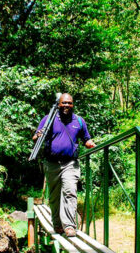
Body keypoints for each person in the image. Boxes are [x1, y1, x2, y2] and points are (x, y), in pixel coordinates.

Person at [33, 93, 96, 237]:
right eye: (64, 103)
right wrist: (39, 135)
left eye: (69, 103)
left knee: (70, 191)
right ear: (58, 104)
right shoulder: (48, 119)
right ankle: (57, 225)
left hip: (70, 163)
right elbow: (35, 137)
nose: (67, 105)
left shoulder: (79, 121)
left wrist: (89, 144)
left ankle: (69, 226)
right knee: (54, 197)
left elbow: (86, 139)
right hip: (51, 164)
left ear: (73, 104)